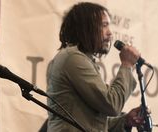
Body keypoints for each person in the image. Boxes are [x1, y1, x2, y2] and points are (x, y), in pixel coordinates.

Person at [46, 2, 143, 132]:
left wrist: (125, 120)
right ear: (85, 27)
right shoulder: (73, 58)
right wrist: (127, 64)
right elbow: (112, 104)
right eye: (104, 26)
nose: (110, 33)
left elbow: (93, 124)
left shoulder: (79, 58)